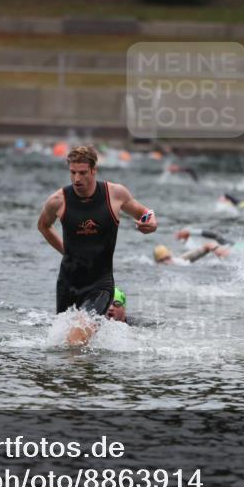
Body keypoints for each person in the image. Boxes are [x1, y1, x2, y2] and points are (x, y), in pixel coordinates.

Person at [37, 145, 157, 346]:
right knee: (63, 345)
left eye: (83, 173)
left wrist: (151, 223)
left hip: (99, 284)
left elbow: (145, 213)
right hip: (68, 283)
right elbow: (43, 226)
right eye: (73, 173)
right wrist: (66, 251)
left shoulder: (114, 194)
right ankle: (87, 374)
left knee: (76, 339)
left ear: (94, 170)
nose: (77, 179)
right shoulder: (58, 201)